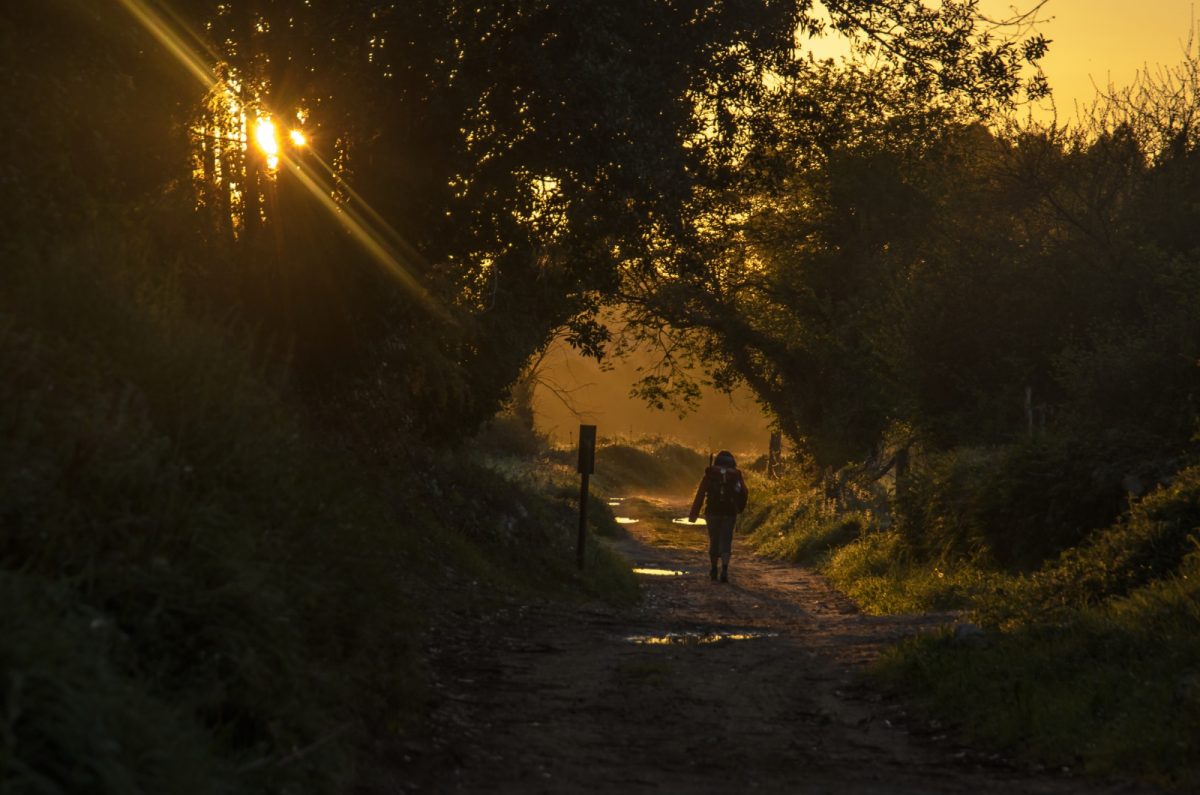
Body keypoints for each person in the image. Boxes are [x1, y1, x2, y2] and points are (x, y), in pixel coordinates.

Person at [688, 450, 749, 583]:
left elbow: (700, 495)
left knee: (714, 540)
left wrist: (693, 514)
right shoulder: (735, 475)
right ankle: (725, 570)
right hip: (729, 513)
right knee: (726, 541)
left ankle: (714, 569)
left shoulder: (710, 474)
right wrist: (739, 509)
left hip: (712, 512)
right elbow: (744, 492)